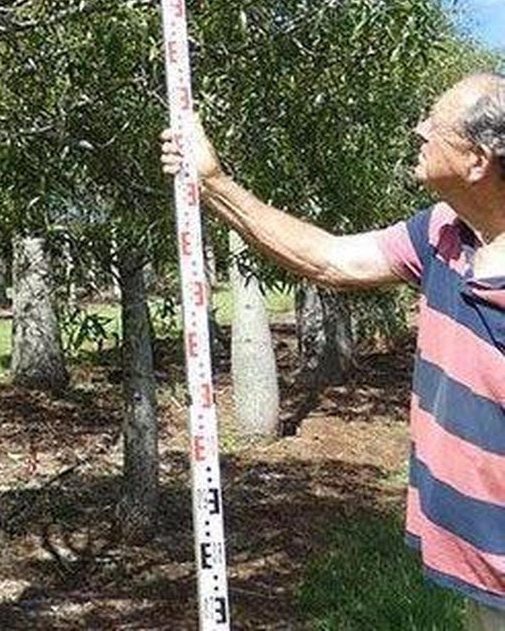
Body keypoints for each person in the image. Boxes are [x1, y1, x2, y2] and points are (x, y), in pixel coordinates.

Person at [161, 72, 505, 631]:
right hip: (480, 574)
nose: (419, 132)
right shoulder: (444, 233)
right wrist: (215, 182)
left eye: (434, 126)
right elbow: (329, 259)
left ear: (476, 161)